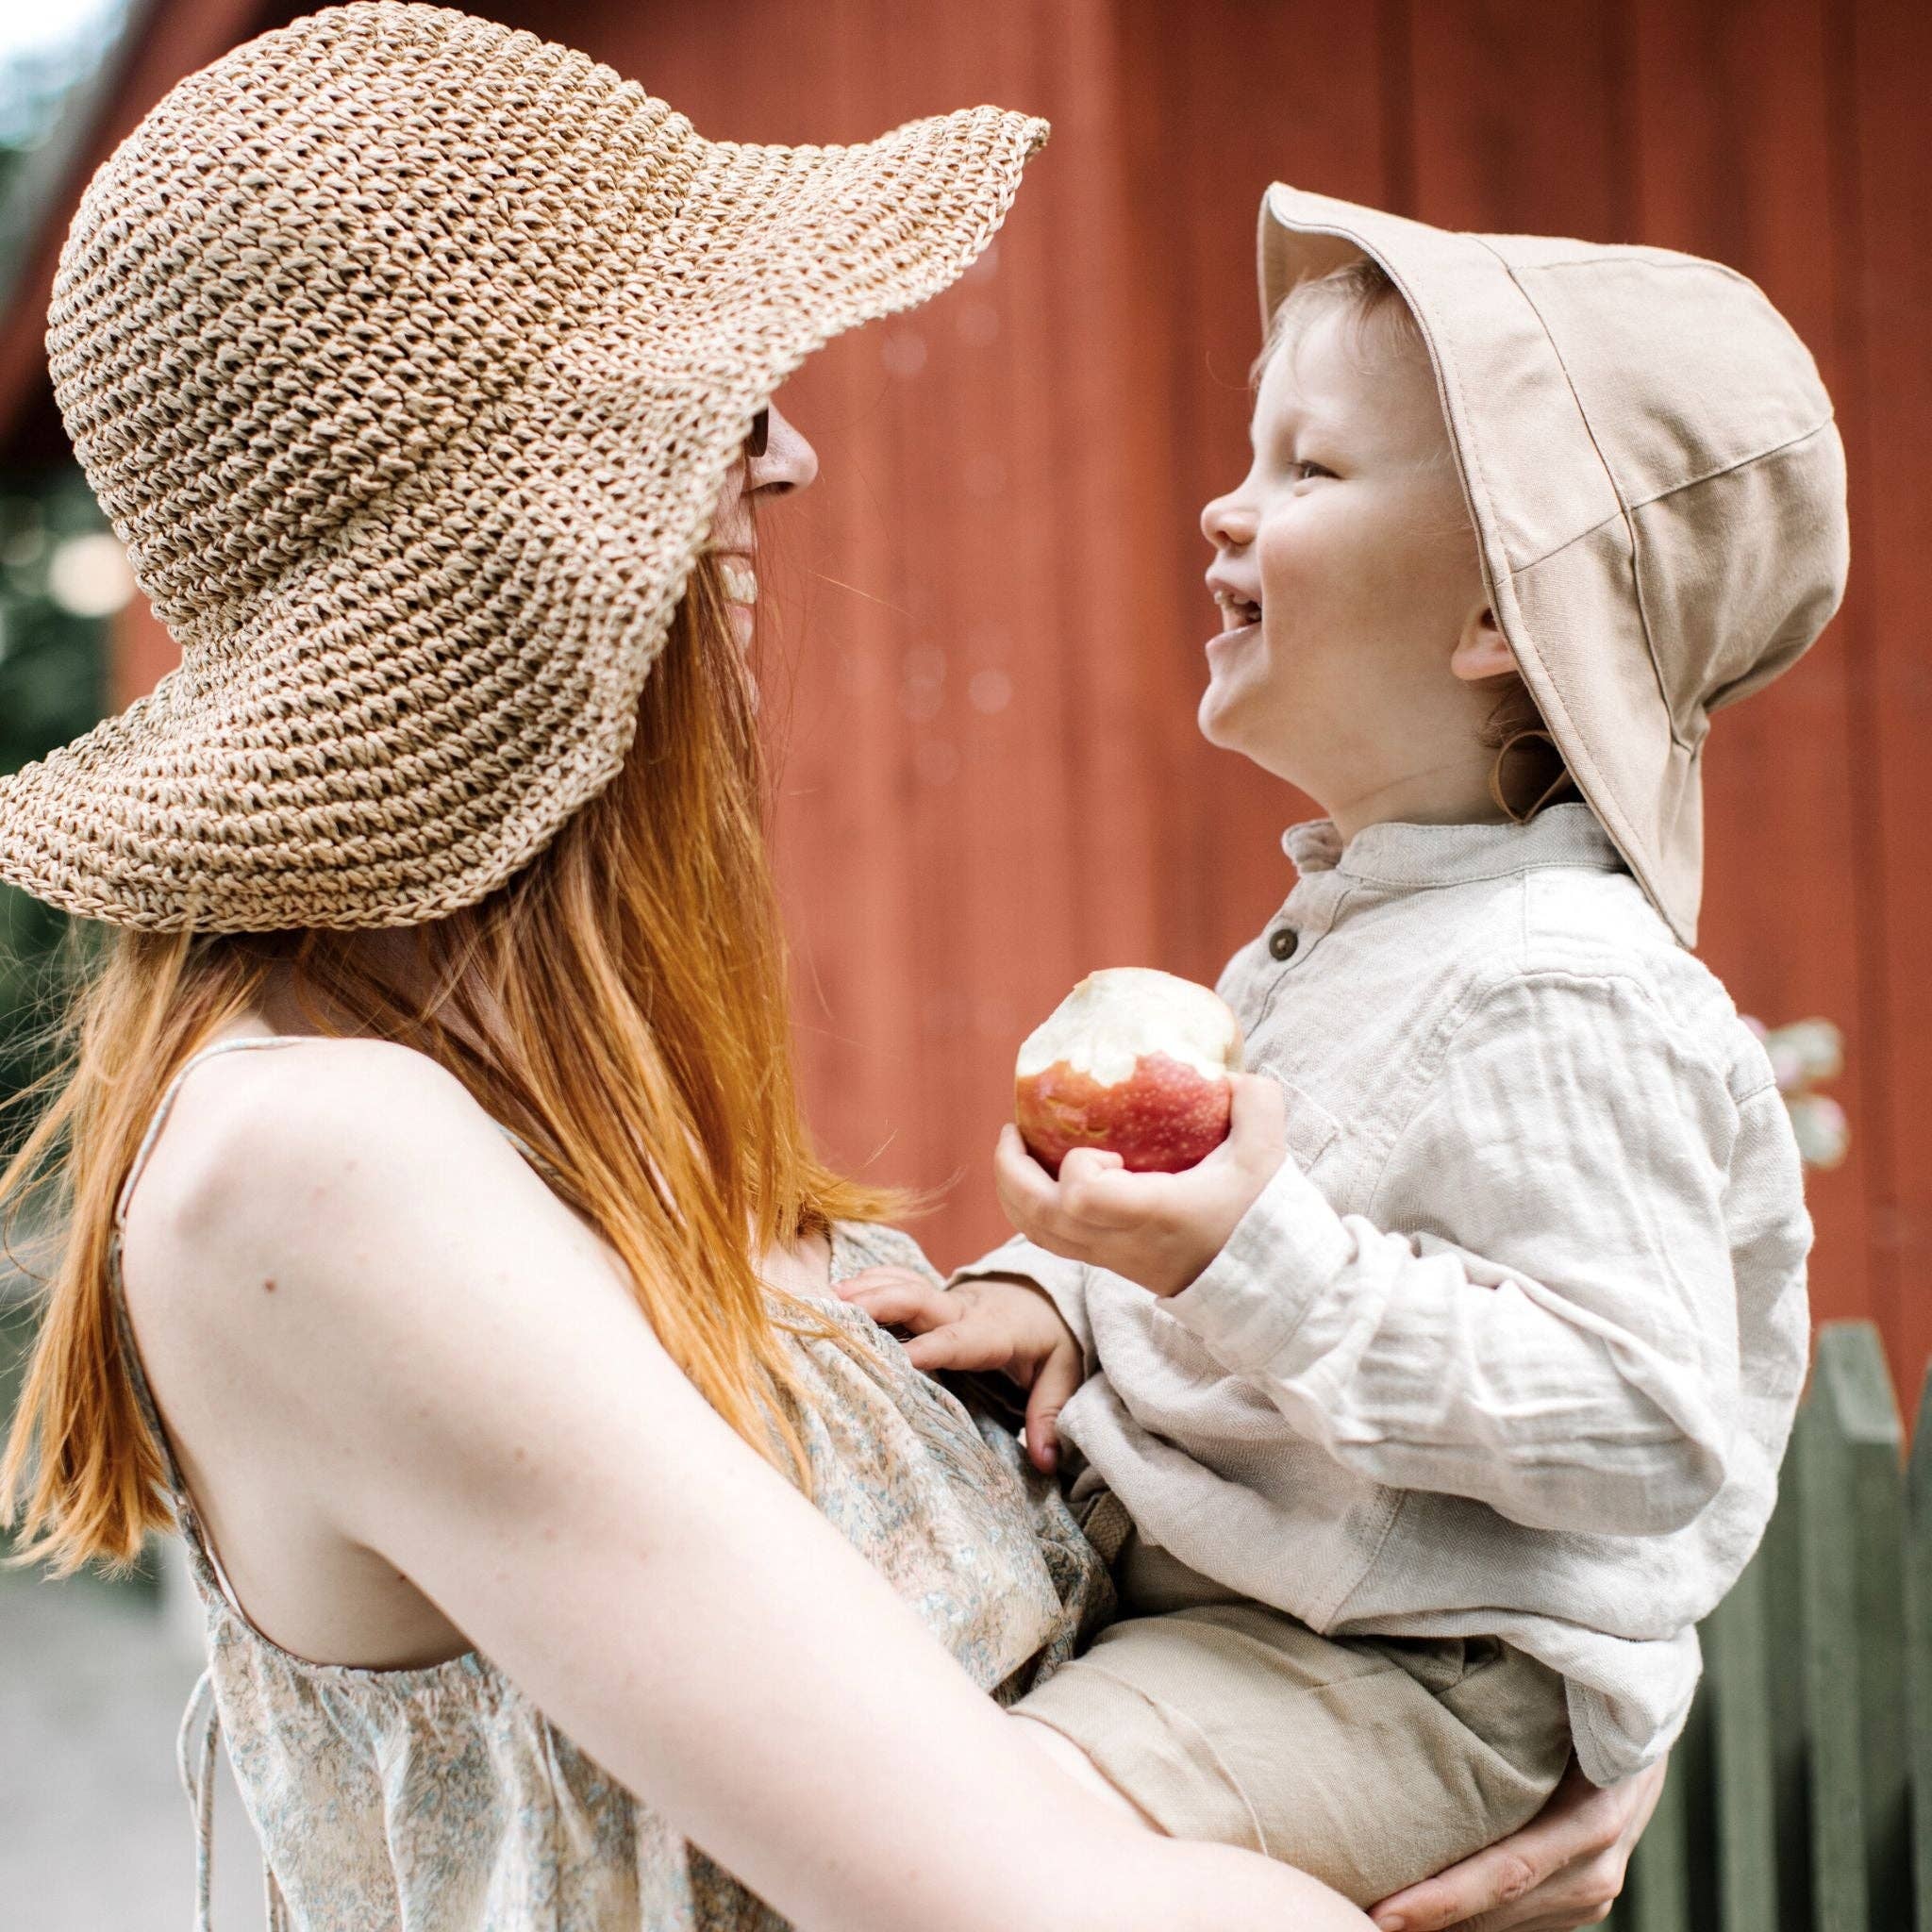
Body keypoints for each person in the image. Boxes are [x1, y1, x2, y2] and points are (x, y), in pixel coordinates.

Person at [0, 7, 1657, 1926]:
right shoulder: (307, 1166)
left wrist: (1477, 1743)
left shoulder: (516, 1121)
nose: (787, 450)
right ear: (537, 543)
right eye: (713, 402)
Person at [840, 185, 1843, 1914]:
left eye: (1309, 472)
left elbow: (1649, 1423)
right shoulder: (1379, 932)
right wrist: (1064, 1296)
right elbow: (1315, 1237)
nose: (1227, 505)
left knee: (971, 1843)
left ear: (1495, 623)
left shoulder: (1562, 983)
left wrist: (1250, 1260)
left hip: (1406, 1681)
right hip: (1262, 1619)